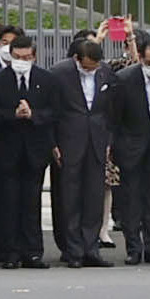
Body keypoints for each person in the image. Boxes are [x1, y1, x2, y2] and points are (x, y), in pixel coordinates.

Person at [0, 29, 55, 269]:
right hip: (6, 150)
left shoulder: (46, 79)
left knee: (31, 203)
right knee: (8, 203)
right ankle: (10, 252)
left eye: (26, 58)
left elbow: (54, 111)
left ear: (34, 57)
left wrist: (33, 115)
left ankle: (33, 252)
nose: (21, 62)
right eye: (17, 57)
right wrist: (13, 115)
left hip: (35, 150)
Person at [104, 35, 150, 264]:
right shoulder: (125, 79)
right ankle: (133, 247)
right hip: (130, 146)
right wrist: (114, 145)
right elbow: (114, 116)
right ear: (141, 59)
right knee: (130, 198)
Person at [48, 35, 112, 268]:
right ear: (77, 59)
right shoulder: (59, 73)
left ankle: (91, 248)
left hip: (96, 141)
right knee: (69, 198)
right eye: (87, 67)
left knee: (93, 197)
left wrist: (108, 141)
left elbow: (110, 110)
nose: (91, 71)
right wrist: (53, 143)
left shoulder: (105, 72)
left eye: (94, 67)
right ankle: (72, 249)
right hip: (68, 142)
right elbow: (51, 111)